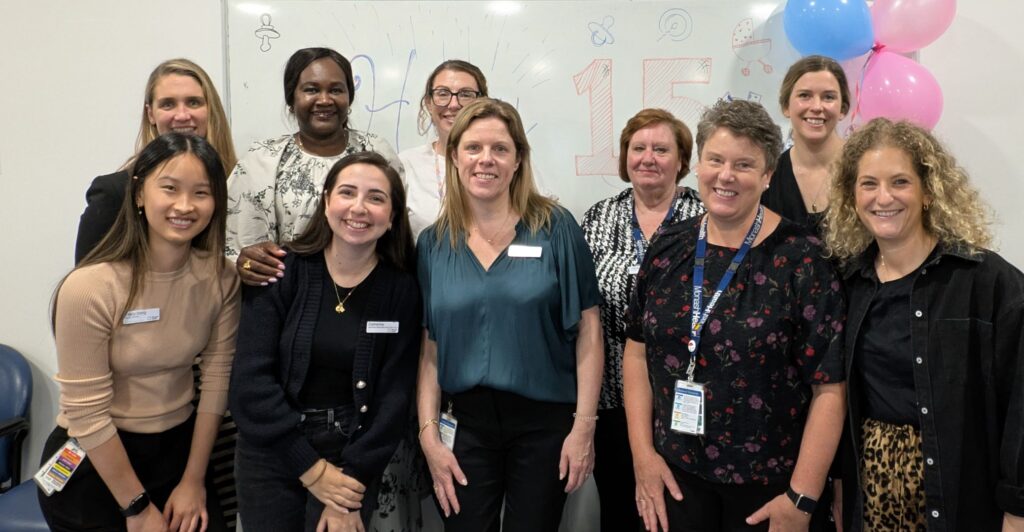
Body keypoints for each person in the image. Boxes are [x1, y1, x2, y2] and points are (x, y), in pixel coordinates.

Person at [623, 99, 846, 532]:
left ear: (767, 175)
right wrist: (643, 456)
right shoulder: (668, 246)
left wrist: (801, 497)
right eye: (716, 160)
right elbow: (636, 352)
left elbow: (829, 388)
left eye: (744, 165)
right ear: (698, 165)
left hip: (770, 490)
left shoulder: (803, 259)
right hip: (675, 476)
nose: (725, 176)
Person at [824, 118, 1024, 531]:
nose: (883, 198)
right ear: (852, 196)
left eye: (900, 182)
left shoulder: (988, 282)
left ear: (928, 191)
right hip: (873, 495)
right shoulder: (848, 284)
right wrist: (841, 485)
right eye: (868, 184)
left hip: (962, 497)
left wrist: (1017, 509)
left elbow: (1021, 406)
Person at [416, 98, 603, 531]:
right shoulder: (433, 244)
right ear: (454, 156)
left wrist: (584, 427)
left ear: (518, 159)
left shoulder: (556, 228)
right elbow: (430, 347)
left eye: (500, 148)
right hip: (464, 425)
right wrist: (428, 435)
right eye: (473, 147)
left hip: (544, 424)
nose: (486, 159)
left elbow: (589, 331)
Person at [39, 133, 238, 532]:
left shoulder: (221, 277)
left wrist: (194, 480)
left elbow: (216, 380)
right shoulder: (89, 288)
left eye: (201, 192)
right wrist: (138, 510)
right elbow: (87, 413)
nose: (185, 205)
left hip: (178, 455)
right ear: (139, 194)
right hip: (94, 461)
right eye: (170, 188)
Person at [230, 152, 421, 532]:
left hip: (352, 451)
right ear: (326, 201)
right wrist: (313, 470)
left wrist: (350, 484)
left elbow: (394, 397)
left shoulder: (401, 289)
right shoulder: (280, 270)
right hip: (272, 449)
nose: (359, 208)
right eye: (347, 193)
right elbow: (250, 383)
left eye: (376, 198)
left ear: (393, 217)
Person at [580, 108, 704, 532]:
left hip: (685, 400)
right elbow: (583, 309)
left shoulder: (705, 216)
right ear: (625, 157)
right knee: (620, 510)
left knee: (679, 514)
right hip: (612, 397)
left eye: (661, 149)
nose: (648, 158)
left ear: (682, 160)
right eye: (638, 148)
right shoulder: (598, 218)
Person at [227, 47, 403, 286]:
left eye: (336, 90)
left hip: (369, 290)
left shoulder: (377, 152)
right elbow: (236, 254)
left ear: (349, 98)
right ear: (291, 99)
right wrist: (246, 264)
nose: (324, 100)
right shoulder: (261, 160)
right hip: (287, 295)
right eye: (311, 89)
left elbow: (398, 234)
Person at [75, 58, 237, 263]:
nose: (182, 115)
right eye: (168, 104)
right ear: (151, 114)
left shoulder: (237, 184)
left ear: (210, 110)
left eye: (193, 102)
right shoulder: (115, 192)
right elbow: (88, 277)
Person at [762, 55, 850, 235]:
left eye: (828, 97)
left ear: (843, 109)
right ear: (786, 106)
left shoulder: (865, 169)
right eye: (804, 95)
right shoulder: (768, 177)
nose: (817, 106)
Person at [399, 60, 489, 237]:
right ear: (429, 103)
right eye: (442, 94)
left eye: (465, 94)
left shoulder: (501, 162)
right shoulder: (407, 164)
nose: (453, 104)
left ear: (482, 102)